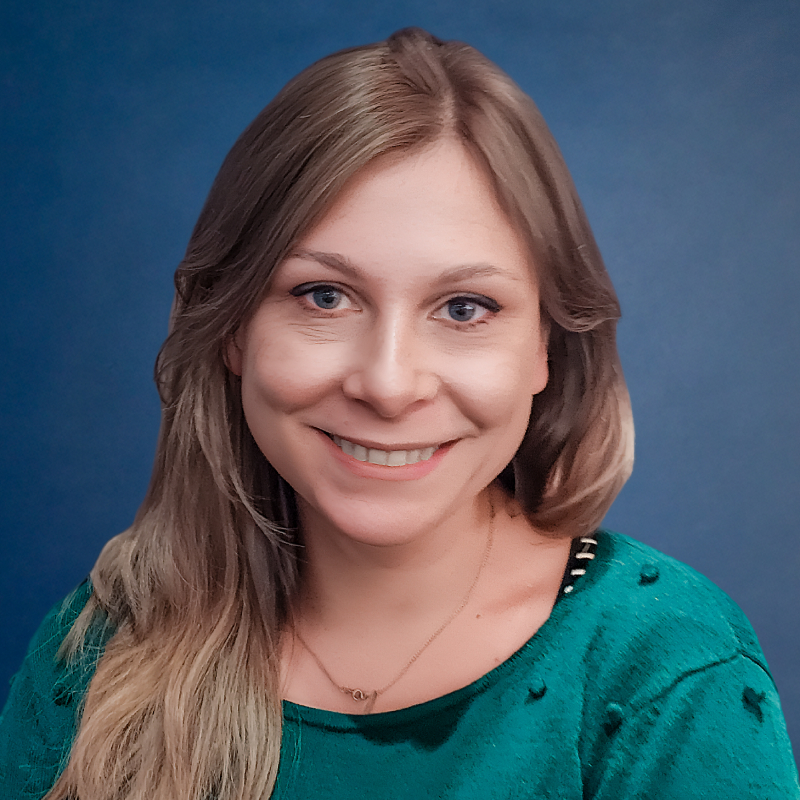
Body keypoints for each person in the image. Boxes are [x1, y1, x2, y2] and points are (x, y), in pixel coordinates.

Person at [0, 26, 797, 800]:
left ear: (547, 350)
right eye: (324, 296)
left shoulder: (665, 672)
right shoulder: (98, 654)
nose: (387, 385)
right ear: (231, 327)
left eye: (464, 307)